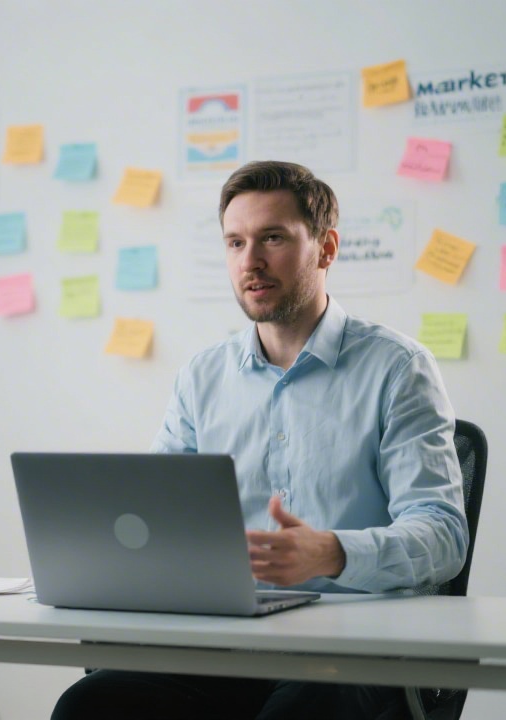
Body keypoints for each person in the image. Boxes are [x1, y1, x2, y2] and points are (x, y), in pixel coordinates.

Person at [51, 160, 468, 720]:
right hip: (225, 644)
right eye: (235, 242)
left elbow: (442, 536)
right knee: (91, 706)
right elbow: (155, 521)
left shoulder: (398, 368)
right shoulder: (202, 378)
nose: (250, 260)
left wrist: (334, 552)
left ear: (326, 248)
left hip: (353, 653)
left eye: (272, 237)